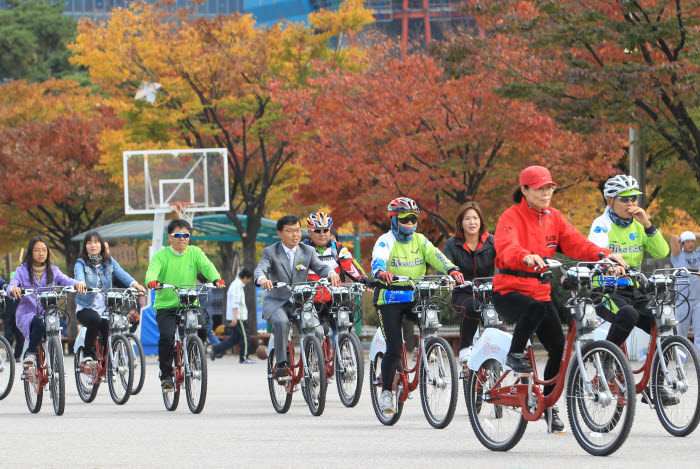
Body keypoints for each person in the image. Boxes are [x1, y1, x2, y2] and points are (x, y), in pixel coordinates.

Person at [493, 166, 624, 432]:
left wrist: (603, 255)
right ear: (525, 190)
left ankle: (548, 404)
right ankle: (515, 353)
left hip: (540, 293)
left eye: (549, 187)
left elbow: (578, 243)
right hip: (509, 290)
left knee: (557, 348)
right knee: (534, 310)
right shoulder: (511, 215)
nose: (546, 193)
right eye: (540, 188)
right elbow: (506, 246)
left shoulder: (555, 217)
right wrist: (524, 256)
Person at [371, 197, 464, 414]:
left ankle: (427, 347)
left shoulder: (420, 241)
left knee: (430, 322)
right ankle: (386, 392)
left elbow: (436, 256)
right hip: (390, 299)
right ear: (393, 219)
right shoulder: (385, 240)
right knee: (393, 347)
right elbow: (379, 258)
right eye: (405, 219)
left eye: (414, 219)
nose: (410, 223)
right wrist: (380, 272)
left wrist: (452, 269)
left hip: (415, 296)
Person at [254, 215, 340, 380]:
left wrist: (330, 273)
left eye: (298, 230)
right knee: (282, 322)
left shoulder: (308, 251)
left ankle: (313, 364)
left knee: (318, 330)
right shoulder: (271, 252)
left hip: (302, 301)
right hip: (278, 302)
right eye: (290, 231)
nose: (295, 235)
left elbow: (320, 266)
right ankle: (282, 365)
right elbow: (261, 269)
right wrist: (262, 279)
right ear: (280, 233)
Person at [588, 175, 670, 348]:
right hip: (605, 289)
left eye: (634, 198)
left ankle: (658, 371)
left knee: (663, 322)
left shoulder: (639, 226)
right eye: (624, 199)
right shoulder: (601, 223)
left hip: (634, 290)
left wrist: (647, 224)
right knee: (628, 316)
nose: (631, 203)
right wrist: (612, 263)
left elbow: (662, 252)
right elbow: (598, 250)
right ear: (610, 201)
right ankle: (607, 359)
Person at [145, 219, 226, 390]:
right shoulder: (161, 255)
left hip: (189, 302)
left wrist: (216, 278)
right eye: (178, 235)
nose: (182, 238)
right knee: (166, 338)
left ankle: (195, 357)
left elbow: (207, 266)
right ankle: (166, 375)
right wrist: (152, 281)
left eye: (186, 235)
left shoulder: (195, 252)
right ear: (170, 237)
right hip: (166, 305)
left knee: (202, 328)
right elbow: (152, 270)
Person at [6, 236, 87, 365]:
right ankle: (31, 353)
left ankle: (56, 365)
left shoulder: (53, 270)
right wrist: (13, 289)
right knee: (39, 322)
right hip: (28, 314)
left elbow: (66, 280)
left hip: (49, 313)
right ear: (31, 252)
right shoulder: (21, 271)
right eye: (37, 250)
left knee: (53, 325)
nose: (41, 253)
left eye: (44, 250)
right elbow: (12, 285)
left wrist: (78, 284)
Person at [73, 231, 146, 363]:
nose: (93, 245)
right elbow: (79, 275)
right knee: (95, 320)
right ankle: (88, 353)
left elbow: (122, 273)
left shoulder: (109, 262)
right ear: (85, 246)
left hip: (106, 309)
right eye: (89, 243)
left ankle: (107, 365)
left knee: (107, 339)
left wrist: (135, 284)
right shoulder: (81, 262)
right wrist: (81, 283)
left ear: (101, 245)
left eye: (96, 242)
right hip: (86, 307)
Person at [443, 201, 496, 364]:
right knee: (472, 307)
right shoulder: (452, 244)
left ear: (481, 221)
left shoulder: (492, 242)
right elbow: (444, 264)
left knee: (498, 320)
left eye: (475, 218)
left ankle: (498, 356)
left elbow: (506, 261)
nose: (472, 222)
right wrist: (448, 278)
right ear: (460, 223)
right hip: (463, 293)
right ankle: (465, 348)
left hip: (489, 292)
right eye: (467, 218)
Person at [303, 211, 371, 319]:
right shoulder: (302, 250)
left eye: (325, 230)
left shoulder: (338, 248)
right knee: (319, 330)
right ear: (309, 232)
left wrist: (362, 277)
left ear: (330, 231)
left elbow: (350, 263)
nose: (322, 234)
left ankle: (344, 337)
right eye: (317, 231)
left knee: (347, 318)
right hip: (311, 299)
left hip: (336, 296)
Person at [210, 269, 255, 363]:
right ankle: (244, 358)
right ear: (245, 277)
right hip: (239, 317)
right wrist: (235, 317)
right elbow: (235, 302)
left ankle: (216, 348)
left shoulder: (237, 285)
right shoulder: (236, 286)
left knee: (234, 339)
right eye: (249, 279)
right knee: (245, 337)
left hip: (238, 316)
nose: (249, 281)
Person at [670, 230, 700, 354]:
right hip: (682, 300)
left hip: (698, 300)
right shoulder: (678, 256)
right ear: (682, 243)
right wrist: (686, 234)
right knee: (682, 333)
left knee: (699, 333)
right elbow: (673, 238)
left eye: (692, 241)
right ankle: (681, 362)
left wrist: (693, 234)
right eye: (687, 241)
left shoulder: (698, 253)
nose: (690, 244)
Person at [1, 273, 24, 362]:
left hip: (20, 319)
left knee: (20, 338)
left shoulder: (23, 291)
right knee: (8, 337)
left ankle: (17, 356)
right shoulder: (6, 291)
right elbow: (3, 304)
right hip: (8, 318)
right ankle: (8, 355)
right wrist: (1, 317)